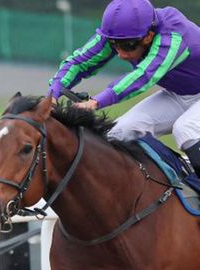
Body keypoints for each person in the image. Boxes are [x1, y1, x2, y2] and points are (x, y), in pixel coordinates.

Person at [47, 0, 200, 175]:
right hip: (180, 94)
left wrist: (96, 102)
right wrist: (52, 94)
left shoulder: (173, 36)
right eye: (114, 45)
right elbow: (79, 62)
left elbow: (143, 76)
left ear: (149, 36)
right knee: (118, 133)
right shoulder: (121, 32)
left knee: (186, 129)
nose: (120, 54)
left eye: (128, 46)